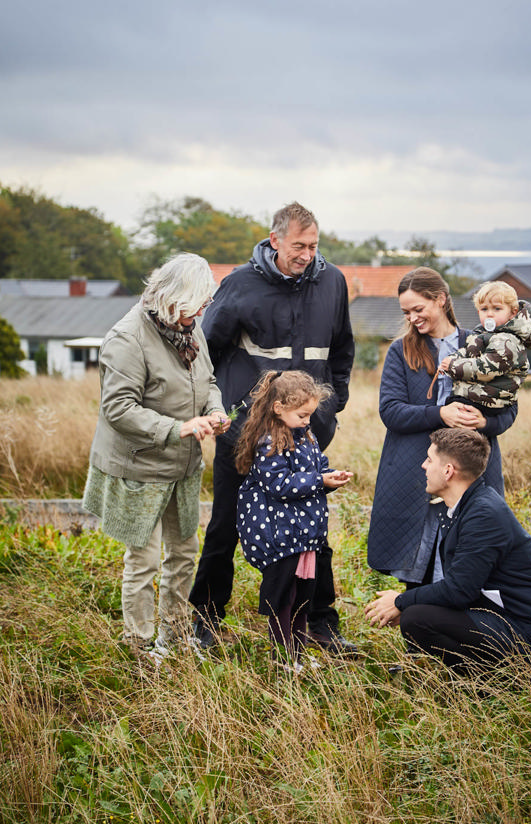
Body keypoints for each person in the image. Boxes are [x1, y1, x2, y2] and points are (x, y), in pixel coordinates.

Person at [188, 201, 356, 653]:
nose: (306, 254)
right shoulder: (240, 285)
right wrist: (226, 411)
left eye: (313, 245)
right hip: (244, 437)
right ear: (275, 239)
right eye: (298, 245)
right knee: (224, 525)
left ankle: (320, 623)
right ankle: (205, 619)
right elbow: (207, 352)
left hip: (307, 433)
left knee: (313, 529)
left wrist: (330, 406)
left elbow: (342, 349)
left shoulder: (333, 282)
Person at [83, 253, 230, 662]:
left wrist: (213, 410)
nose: (202, 312)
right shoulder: (127, 338)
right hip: (140, 466)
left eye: (204, 304)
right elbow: (119, 408)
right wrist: (178, 427)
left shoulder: (190, 328)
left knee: (183, 555)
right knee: (143, 561)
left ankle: (176, 639)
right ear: (171, 298)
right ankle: (140, 646)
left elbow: (209, 381)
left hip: (182, 466)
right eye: (196, 304)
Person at [365, 428, 531, 675]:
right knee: (418, 615)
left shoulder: (483, 514)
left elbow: (458, 591)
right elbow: (462, 587)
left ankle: (497, 685)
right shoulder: (468, 505)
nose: (423, 466)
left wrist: (400, 601)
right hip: (506, 620)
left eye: (429, 459)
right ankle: (469, 683)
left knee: (416, 618)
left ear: (448, 471)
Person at [367, 267, 517, 586]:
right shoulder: (400, 351)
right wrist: (441, 414)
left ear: (441, 300)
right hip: (416, 474)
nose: (412, 318)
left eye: (418, 309)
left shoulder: (482, 344)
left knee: (472, 567)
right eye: (406, 312)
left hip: (471, 475)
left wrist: (485, 421)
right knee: (418, 571)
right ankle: (420, 630)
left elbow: (509, 407)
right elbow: (391, 411)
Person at [235, 371, 352, 670]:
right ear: (279, 408)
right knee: (283, 598)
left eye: (310, 414)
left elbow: (318, 467)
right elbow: (280, 485)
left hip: (304, 536)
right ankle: (283, 658)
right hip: (281, 537)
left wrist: (330, 476)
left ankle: (297, 653)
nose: (307, 421)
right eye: (302, 414)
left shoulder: (306, 437)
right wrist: (319, 481)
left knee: (302, 597)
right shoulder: (269, 444)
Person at [434, 280, 531, 414]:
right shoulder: (482, 334)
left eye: (497, 308)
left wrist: (453, 366)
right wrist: (450, 359)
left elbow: (486, 369)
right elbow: (468, 352)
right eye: (484, 309)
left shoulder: (507, 340)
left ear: (513, 313)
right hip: (479, 395)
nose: (489, 314)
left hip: (492, 399)